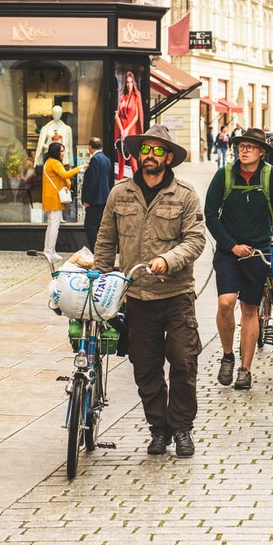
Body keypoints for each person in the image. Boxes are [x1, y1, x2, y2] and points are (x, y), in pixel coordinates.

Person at [93, 125, 206, 457]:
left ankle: (182, 429)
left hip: (177, 295)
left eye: (158, 151)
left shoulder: (185, 194)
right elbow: (105, 240)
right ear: (138, 154)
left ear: (168, 157)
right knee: (145, 367)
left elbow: (196, 240)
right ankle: (159, 430)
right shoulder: (119, 194)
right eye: (146, 150)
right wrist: (99, 282)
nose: (150, 156)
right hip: (137, 296)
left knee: (184, 362)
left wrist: (167, 260)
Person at [205, 127, 273, 390]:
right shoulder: (224, 176)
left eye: (250, 147)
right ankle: (228, 356)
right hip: (229, 252)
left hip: (259, 253)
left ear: (262, 152)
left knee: (250, 309)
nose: (244, 150)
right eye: (241, 146)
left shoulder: (272, 177)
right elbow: (210, 215)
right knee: (225, 302)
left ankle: (245, 369)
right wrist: (231, 246)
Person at [40, 142, 85, 258]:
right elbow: (65, 175)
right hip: (55, 198)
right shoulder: (54, 163)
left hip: (51, 197)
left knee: (51, 225)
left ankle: (49, 250)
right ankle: (49, 252)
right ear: (56, 152)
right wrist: (79, 168)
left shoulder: (49, 162)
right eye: (61, 151)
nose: (63, 153)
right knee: (54, 226)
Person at [81, 137, 112, 250]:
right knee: (98, 226)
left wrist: (87, 199)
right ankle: (100, 250)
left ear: (90, 147)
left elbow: (92, 181)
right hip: (104, 198)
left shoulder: (95, 159)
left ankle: (96, 250)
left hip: (95, 199)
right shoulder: (106, 159)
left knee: (89, 225)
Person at [115, 70, 144, 180]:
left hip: (131, 131)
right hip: (122, 131)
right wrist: (122, 130)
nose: (129, 84)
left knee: (133, 162)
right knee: (120, 162)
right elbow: (117, 115)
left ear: (134, 83)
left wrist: (127, 129)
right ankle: (119, 185)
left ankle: (138, 184)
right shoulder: (122, 97)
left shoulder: (137, 96)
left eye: (131, 82)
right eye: (127, 82)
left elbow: (137, 116)